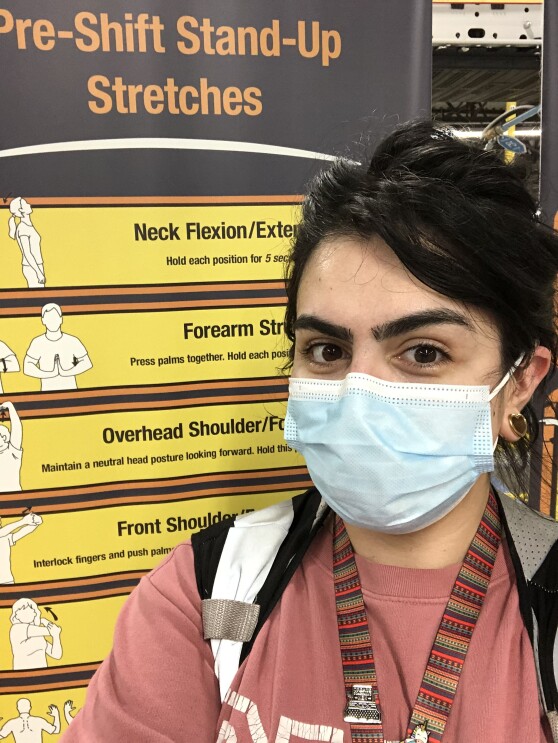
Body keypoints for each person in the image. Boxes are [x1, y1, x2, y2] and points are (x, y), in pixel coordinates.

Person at [60, 122, 558, 743]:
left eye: (424, 353)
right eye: (326, 349)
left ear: (519, 384)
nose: (358, 390)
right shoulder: (205, 597)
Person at [24, 304, 92, 391]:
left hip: (71, 391)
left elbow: (86, 362)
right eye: (48, 318)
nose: (52, 321)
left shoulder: (72, 340)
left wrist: (66, 372)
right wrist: (51, 374)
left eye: (55, 318)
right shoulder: (37, 342)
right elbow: (27, 366)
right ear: (43, 320)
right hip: (46, 392)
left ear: (61, 319)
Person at [9, 598, 63, 670]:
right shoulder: (17, 628)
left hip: (42, 675)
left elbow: (56, 655)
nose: (27, 613)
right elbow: (50, 631)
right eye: (22, 610)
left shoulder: (39, 637)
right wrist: (44, 621)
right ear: (16, 615)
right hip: (23, 675)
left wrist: (56, 636)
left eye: (30, 610)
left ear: (35, 613)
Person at [7, 197, 45, 288]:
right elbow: (27, 253)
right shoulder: (23, 229)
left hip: (36, 265)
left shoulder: (28, 226)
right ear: (21, 209)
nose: (29, 205)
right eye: (26, 204)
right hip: (31, 267)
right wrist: (38, 273)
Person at [0, 511, 42, 584]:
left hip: (7, 581)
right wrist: (23, 521)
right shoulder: (3, 533)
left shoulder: (4, 537)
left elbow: (22, 533)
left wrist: (35, 523)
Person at [0, 401, 23, 493]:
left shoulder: (12, 452)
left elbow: (17, 429)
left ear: (4, 437)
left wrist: (10, 407)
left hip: (14, 496)